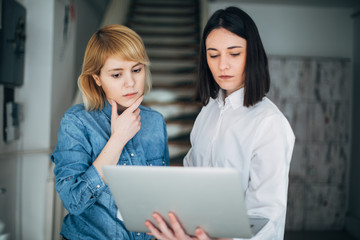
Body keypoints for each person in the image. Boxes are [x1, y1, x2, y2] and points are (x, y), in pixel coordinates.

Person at [145, 6, 295, 240]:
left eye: (234, 54)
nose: (222, 65)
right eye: (213, 55)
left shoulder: (269, 123)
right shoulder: (208, 111)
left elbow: (266, 216)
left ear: (252, 54)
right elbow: (191, 178)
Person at [51, 24, 169, 239]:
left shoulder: (155, 122)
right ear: (97, 79)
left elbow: (161, 196)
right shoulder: (76, 122)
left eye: (137, 70)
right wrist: (118, 140)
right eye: (116, 75)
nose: (130, 83)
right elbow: (74, 202)